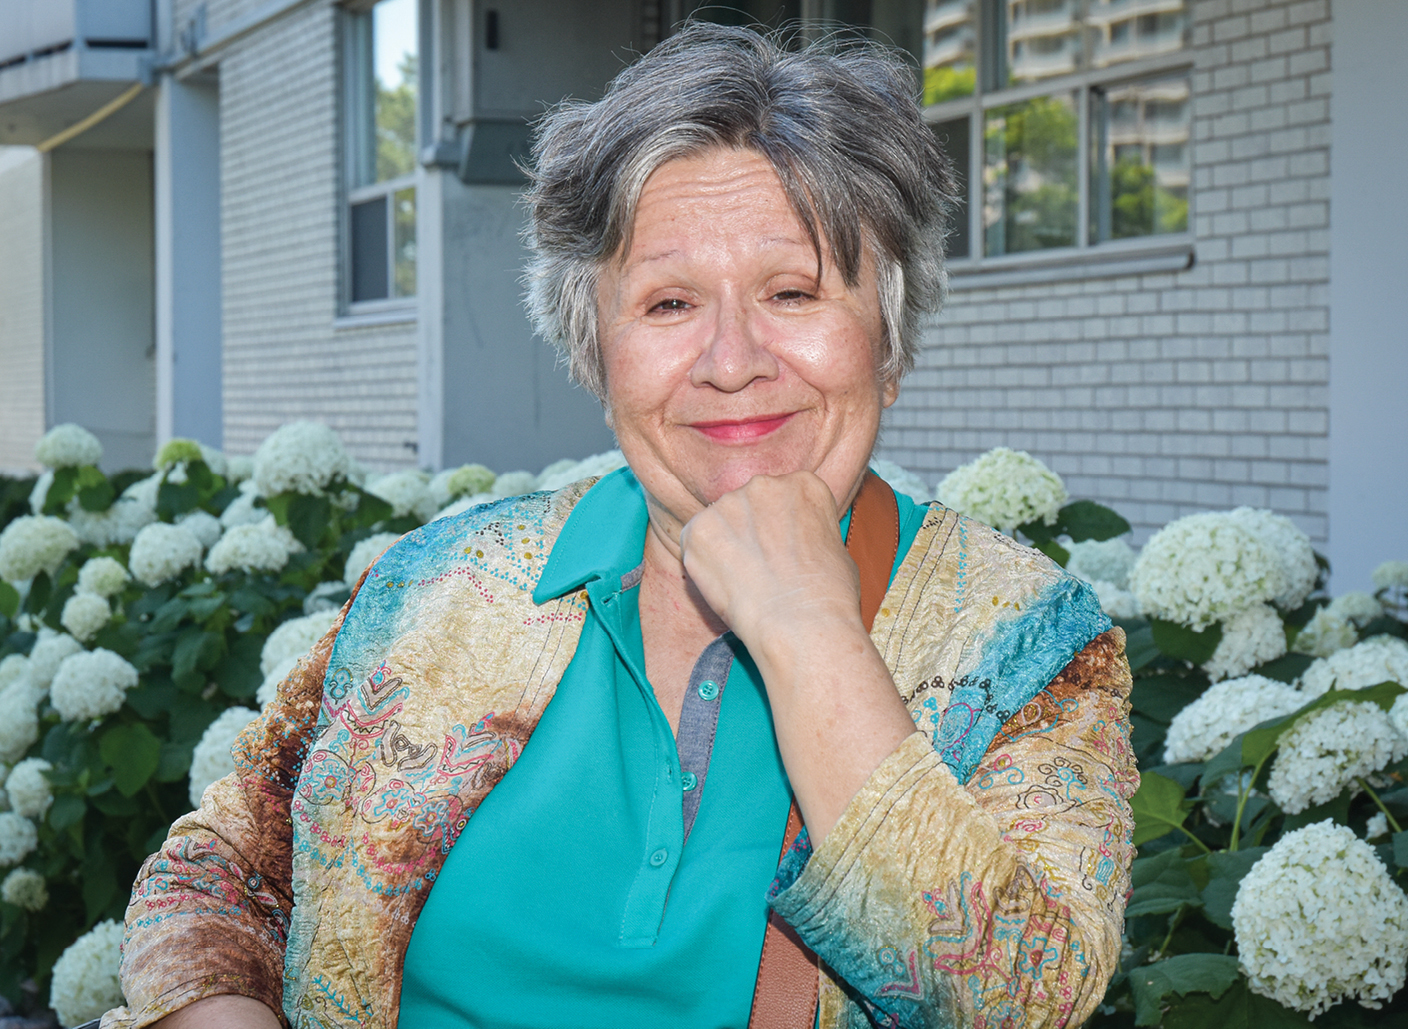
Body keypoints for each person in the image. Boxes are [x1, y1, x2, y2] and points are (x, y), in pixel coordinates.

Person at [106, 22, 1136, 1029]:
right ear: (593, 349)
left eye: (792, 291)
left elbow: (1018, 1001)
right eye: (668, 304)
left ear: (890, 339)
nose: (732, 360)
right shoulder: (437, 588)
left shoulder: (1024, 640)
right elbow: (225, 872)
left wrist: (811, 634)